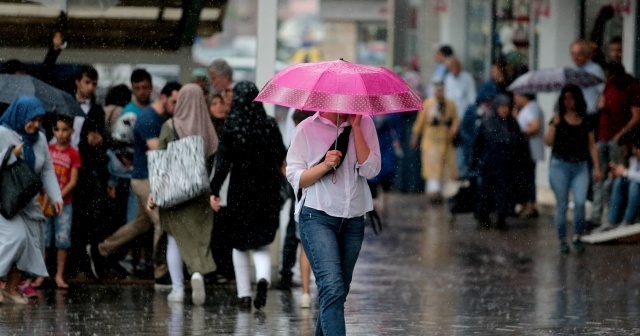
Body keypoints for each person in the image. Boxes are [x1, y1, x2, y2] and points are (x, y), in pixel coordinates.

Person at [286, 106, 381, 334]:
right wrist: (324, 165)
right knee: (332, 286)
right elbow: (295, 177)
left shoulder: (365, 123)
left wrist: (356, 128)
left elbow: (371, 170)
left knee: (337, 292)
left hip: (353, 218)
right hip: (317, 216)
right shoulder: (306, 129)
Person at [87, 82, 182, 287]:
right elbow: (158, 151)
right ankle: (161, 271)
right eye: (174, 101)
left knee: (141, 224)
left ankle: (101, 249)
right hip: (145, 179)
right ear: (163, 98)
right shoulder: (149, 118)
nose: (177, 106)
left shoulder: (162, 118)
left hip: (150, 178)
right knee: (162, 223)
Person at [210, 81, 286, 310]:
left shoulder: (232, 127)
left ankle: (243, 295)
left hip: (240, 193)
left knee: (239, 245)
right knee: (261, 244)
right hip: (267, 192)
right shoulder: (269, 125)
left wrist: (213, 191)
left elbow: (222, 165)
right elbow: (281, 155)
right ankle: (262, 278)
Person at [149, 84, 218, 305]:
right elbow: (215, 162)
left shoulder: (170, 126)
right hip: (201, 193)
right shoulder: (208, 128)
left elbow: (160, 160)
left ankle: (178, 288)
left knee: (174, 238)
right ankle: (197, 273)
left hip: (175, 191)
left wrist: (155, 192)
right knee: (199, 239)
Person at [0, 96, 63, 304]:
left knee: (32, 245)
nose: (35, 125)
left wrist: (55, 196)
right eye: (31, 119)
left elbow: (46, 169)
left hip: (27, 201)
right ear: (20, 115)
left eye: (39, 120)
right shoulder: (3, 133)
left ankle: (11, 288)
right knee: (16, 238)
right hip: (5, 201)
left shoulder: (40, 138)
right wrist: (10, 156)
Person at [544, 85, 601, 254]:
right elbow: (548, 142)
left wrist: (597, 167)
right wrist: (554, 125)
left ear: (577, 99)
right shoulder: (557, 119)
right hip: (559, 166)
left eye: (571, 98)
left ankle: (577, 235)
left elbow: (592, 146)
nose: (568, 101)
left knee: (580, 202)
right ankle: (562, 239)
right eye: (565, 98)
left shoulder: (586, 120)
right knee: (562, 205)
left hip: (580, 166)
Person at [68, 66, 110, 277]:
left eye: (94, 83)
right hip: (64, 164)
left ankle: (79, 261)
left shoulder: (96, 110)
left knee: (82, 216)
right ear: (77, 82)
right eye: (87, 82)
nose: (90, 87)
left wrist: (98, 141)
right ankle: (67, 262)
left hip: (84, 167)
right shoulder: (65, 104)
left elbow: (99, 138)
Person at [33, 115, 81, 289]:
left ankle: (59, 275)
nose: (61, 134)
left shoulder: (73, 153)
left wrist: (58, 196)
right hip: (46, 202)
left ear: (72, 131)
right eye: (57, 129)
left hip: (64, 203)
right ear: (52, 130)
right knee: (44, 238)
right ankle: (41, 274)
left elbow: (73, 181)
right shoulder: (48, 149)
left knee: (62, 239)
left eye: (65, 129)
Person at [591, 62, 640, 230]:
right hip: (605, 135)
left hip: (618, 138)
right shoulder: (608, 85)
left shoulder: (631, 86)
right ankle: (606, 218)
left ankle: (624, 219)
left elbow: (636, 115)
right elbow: (600, 104)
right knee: (607, 180)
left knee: (625, 181)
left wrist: (620, 136)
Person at [472, 95, 529, 230]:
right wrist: (475, 163)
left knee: (503, 192)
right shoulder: (487, 122)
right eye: (502, 106)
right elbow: (478, 145)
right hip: (489, 164)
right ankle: (484, 216)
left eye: (507, 107)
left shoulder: (512, 124)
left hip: (506, 165)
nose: (504, 110)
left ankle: (501, 217)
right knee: (486, 192)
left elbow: (519, 144)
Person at [411, 82, 459, 203]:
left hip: (446, 140)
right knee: (432, 168)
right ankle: (434, 192)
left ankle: (443, 192)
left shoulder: (450, 104)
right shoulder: (428, 104)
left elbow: (456, 120)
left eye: (442, 91)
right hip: (431, 140)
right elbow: (420, 123)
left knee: (445, 167)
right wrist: (415, 137)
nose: (440, 93)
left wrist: (454, 129)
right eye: (438, 91)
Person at [207, 92, 235, 284]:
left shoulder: (231, 128)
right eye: (214, 103)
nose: (219, 107)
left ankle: (226, 269)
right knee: (214, 228)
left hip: (228, 185)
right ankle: (214, 268)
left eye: (222, 103)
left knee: (225, 229)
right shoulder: (206, 129)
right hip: (211, 184)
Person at [513, 93, 545, 218]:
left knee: (528, 178)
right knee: (524, 178)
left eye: (517, 96)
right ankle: (526, 204)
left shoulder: (533, 107)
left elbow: (535, 126)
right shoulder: (526, 109)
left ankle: (531, 205)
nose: (515, 98)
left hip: (529, 150)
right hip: (524, 151)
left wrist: (521, 133)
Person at [444, 57, 476, 178]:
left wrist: (467, 117)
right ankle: (454, 171)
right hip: (451, 118)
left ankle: (463, 172)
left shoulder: (467, 78)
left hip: (464, 118)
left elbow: (471, 99)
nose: (454, 70)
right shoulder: (448, 79)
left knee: (463, 145)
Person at [605, 137, 640, 229]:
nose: (634, 151)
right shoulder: (634, 159)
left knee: (634, 185)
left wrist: (625, 172)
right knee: (618, 182)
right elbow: (630, 174)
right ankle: (611, 221)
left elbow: (633, 176)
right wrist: (617, 173)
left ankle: (627, 221)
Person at [570, 40, 605, 118]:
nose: (575, 57)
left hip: (591, 114)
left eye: (579, 54)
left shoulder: (595, 69)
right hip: (578, 115)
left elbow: (603, 91)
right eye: (573, 54)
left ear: (586, 54)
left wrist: (600, 104)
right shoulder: (574, 70)